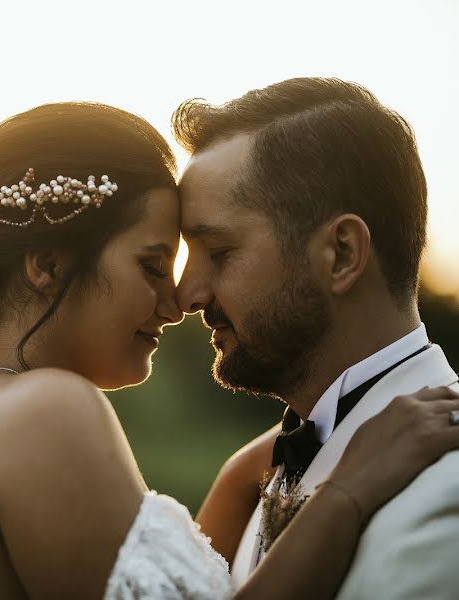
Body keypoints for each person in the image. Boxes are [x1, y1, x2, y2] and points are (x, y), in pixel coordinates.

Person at [0, 101, 459, 599]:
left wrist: (259, 469)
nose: (179, 298)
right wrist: (347, 491)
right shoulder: (41, 412)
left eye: (215, 253)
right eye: (153, 265)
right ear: (46, 265)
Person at [173, 77, 459, 598]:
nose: (186, 294)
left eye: (218, 252)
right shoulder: (282, 461)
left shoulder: (446, 491)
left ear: (342, 254)